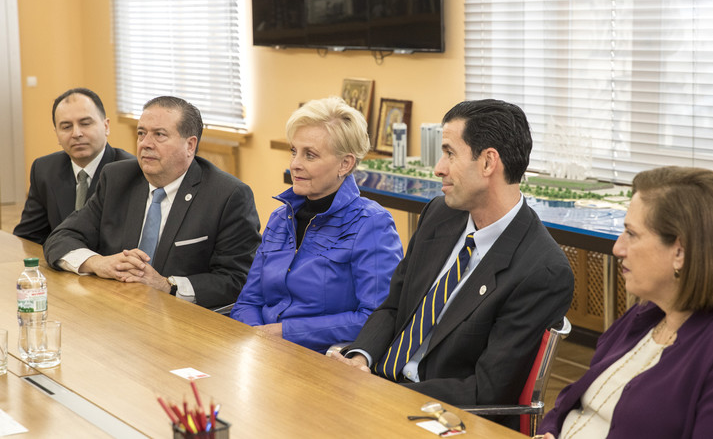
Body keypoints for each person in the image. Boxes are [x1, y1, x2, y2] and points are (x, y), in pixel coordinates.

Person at [331, 99, 574, 430]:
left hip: (440, 417)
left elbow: (486, 390)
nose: (438, 168)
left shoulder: (541, 271)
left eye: (449, 153)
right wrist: (360, 358)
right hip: (375, 391)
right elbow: (394, 307)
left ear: (488, 162)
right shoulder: (440, 214)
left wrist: (384, 393)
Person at [538, 166, 713, 439]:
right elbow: (572, 401)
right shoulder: (644, 316)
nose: (617, 248)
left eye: (631, 234)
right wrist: (550, 431)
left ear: (679, 252)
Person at [43, 96, 261, 309]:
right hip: (116, 307)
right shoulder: (118, 179)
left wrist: (166, 285)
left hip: (181, 318)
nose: (145, 144)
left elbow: (237, 279)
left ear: (190, 145)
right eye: (141, 133)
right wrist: (99, 263)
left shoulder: (227, 195)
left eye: (159, 135)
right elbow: (60, 238)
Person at [230, 97, 403, 353]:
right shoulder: (280, 218)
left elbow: (376, 317)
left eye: (309, 155)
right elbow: (248, 301)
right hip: (260, 350)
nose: (295, 164)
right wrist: (258, 337)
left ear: (345, 164)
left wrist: (284, 332)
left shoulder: (371, 223)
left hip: (322, 359)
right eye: (294, 151)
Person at [14, 87, 134, 244]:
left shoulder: (129, 172)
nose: (76, 133)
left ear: (106, 126)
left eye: (85, 123)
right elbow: (29, 236)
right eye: (66, 127)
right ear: (57, 134)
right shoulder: (44, 169)